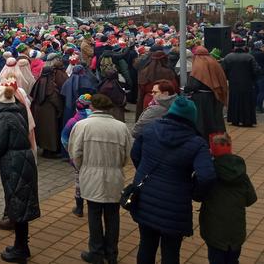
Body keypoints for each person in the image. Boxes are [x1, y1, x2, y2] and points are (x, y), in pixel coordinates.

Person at [130, 96, 216, 264]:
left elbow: (135, 154)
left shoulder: (150, 129)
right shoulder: (197, 143)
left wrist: (144, 171)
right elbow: (207, 176)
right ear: (192, 118)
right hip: (175, 205)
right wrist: (195, 192)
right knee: (171, 252)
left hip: (145, 198)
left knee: (146, 245)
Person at [68, 93, 132, 264]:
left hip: (90, 175)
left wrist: (83, 168)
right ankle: (111, 254)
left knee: (94, 215)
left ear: (92, 107)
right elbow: (127, 156)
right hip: (114, 176)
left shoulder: (82, 126)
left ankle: (96, 252)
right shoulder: (121, 127)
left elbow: (75, 153)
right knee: (113, 216)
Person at [0, 83, 40, 262]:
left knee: (18, 206)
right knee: (21, 205)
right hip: (23, 160)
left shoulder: (3, 117)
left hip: (13, 163)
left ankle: (21, 249)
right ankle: (21, 245)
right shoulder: (18, 111)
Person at [200, 133, 258, 264]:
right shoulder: (241, 173)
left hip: (214, 232)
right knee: (233, 260)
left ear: (212, 151)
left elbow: (197, 195)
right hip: (236, 231)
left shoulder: (210, 172)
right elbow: (251, 199)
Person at [185, 46, 228, 141]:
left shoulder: (198, 65)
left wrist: (186, 88)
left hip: (202, 99)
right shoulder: (214, 62)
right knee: (215, 120)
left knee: (203, 121)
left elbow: (194, 84)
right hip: (215, 96)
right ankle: (219, 141)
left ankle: (205, 141)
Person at [60, 94, 92, 217]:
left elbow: (64, 138)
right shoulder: (95, 119)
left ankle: (79, 208)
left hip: (78, 157)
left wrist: (71, 151)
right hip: (94, 156)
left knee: (79, 181)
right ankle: (92, 205)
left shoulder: (73, 121)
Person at [222, 39, 260, 127]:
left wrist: (229, 78)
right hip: (247, 84)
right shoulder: (249, 57)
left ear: (234, 47)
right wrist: (252, 80)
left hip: (233, 84)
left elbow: (222, 71)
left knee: (234, 101)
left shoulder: (228, 57)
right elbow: (256, 70)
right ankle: (247, 120)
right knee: (247, 102)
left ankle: (234, 120)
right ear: (244, 46)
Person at [134, 50, 178, 119]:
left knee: (148, 121)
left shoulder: (144, 72)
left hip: (148, 101)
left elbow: (140, 93)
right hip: (165, 101)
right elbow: (174, 88)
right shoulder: (168, 72)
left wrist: (138, 115)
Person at [253, 40, 264, 113]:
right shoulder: (262, 54)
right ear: (260, 47)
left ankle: (255, 106)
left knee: (256, 91)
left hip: (254, 75)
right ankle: (259, 107)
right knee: (262, 91)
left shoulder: (251, 53)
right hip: (261, 75)